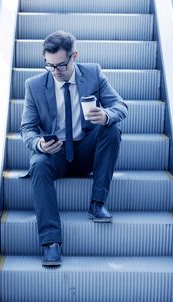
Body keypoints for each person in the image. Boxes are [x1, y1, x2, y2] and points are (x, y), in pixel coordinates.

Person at [20, 30, 128, 267]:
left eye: (60, 65)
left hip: (87, 151)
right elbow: (27, 128)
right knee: (37, 163)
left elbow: (121, 106)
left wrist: (106, 115)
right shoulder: (35, 85)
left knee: (112, 128)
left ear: (74, 56)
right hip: (56, 153)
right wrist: (39, 143)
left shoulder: (93, 74)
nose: (55, 72)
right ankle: (51, 243)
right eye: (49, 66)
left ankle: (97, 203)